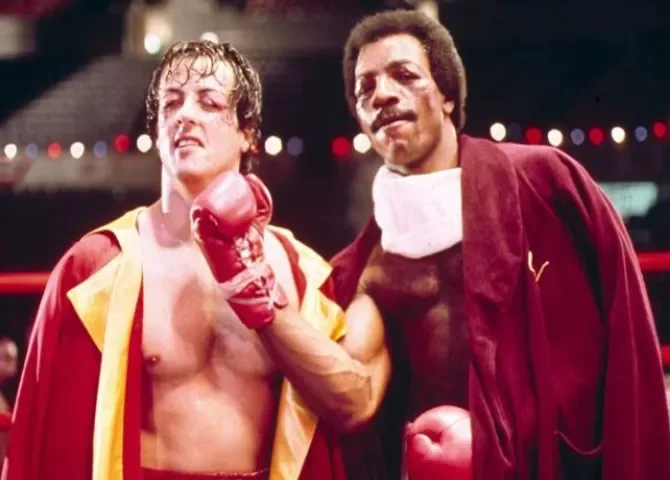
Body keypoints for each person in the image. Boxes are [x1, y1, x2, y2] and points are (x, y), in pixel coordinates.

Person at [2, 40, 391, 480]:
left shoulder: (302, 272)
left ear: (247, 133)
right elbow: (46, 439)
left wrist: (258, 294)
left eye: (209, 102)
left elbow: (349, 407)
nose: (185, 114)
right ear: (158, 132)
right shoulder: (94, 270)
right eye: (171, 104)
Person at [329, 9, 670, 480]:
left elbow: (628, 332)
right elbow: (350, 392)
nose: (382, 94)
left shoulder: (546, 183)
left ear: (447, 95)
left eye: (404, 75)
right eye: (365, 88)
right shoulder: (361, 269)